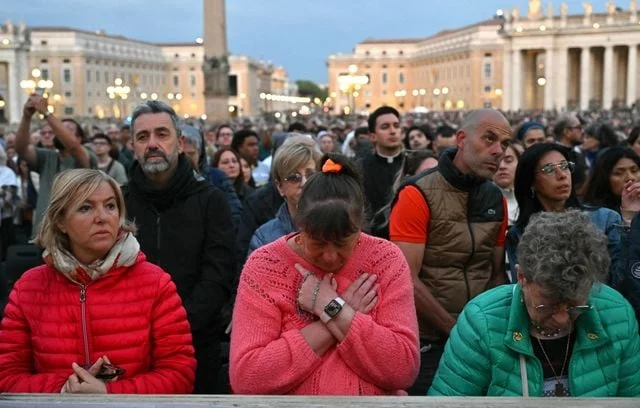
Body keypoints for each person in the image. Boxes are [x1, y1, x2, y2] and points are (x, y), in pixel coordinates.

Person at [230, 153, 419, 395]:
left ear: (360, 226)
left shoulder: (386, 260)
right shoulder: (265, 266)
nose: (330, 257)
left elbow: (402, 368)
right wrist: (341, 310)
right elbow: (248, 377)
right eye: (317, 243)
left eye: (342, 243)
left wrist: (328, 304)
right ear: (300, 225)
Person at [0, 169, 196, 393]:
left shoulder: (156, 283)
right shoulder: (29, 288)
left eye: (111, 206)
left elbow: (180, 374)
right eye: (86, 207)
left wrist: (109, 394)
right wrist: (63, 390)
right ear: (60, 221)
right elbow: (6, 376)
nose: (102, 217)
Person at [429, 210, 640, 397]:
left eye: (575, 306)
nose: (562, 318)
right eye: (548, 305)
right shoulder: (480, 323)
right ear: (521, 277)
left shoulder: (617, 315)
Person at [390, 108, 510, 395]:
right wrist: (456, 329)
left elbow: (494, 275)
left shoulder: (496, 197)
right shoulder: (416, 194)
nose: (498, 151)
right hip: (428, 342)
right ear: (461, 139)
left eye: (504, 144)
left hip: (481, 341)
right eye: (489, 139)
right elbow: (406, 279)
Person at [123, 101, 236, 394]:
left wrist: (176, 325)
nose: (153, 144)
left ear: (180, 142)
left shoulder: (211, 201)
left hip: (196, 341)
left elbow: (218, 273)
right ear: (132, 145)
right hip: (129, 343)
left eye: (162, 134)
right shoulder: (118, 203)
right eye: (143, 137)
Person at [506, 143, 622, 284]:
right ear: (531, 182)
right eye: (549, 169)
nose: (561, 175)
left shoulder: (605, 219)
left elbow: (620, 278)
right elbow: (522, 288)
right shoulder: (519, 234)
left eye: (565, 166)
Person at [16, 94, 96, 232]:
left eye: (67, 129)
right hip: (45, 234)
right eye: (58, 128)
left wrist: (47, 113)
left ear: (79, 137)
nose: (57, 132)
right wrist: (26, 117)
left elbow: (73, 147)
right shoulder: (47, 157)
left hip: (74, 235)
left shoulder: (86, 155)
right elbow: (21, 148)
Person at [248, 135, 322, 255]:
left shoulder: (342, 228)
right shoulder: (264, 238)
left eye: (311, 175)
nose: (304, 183)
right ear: (280, 187)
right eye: (294, 177)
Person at [359, 106, 405, 216]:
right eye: (385, 127)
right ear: (372, 136)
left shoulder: (415, 163)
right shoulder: (360, 168)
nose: (393, 131)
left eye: (396, 126)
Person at [584, 147, 640, 219]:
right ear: (604, 179)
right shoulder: (596, 215)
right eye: (618, 173)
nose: (630, 177)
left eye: (634, 170)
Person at [494, 140, 522, 226]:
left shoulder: (533, 197)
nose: (502, 166)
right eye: (496, 161)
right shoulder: (480, 198)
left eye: (508, 160)